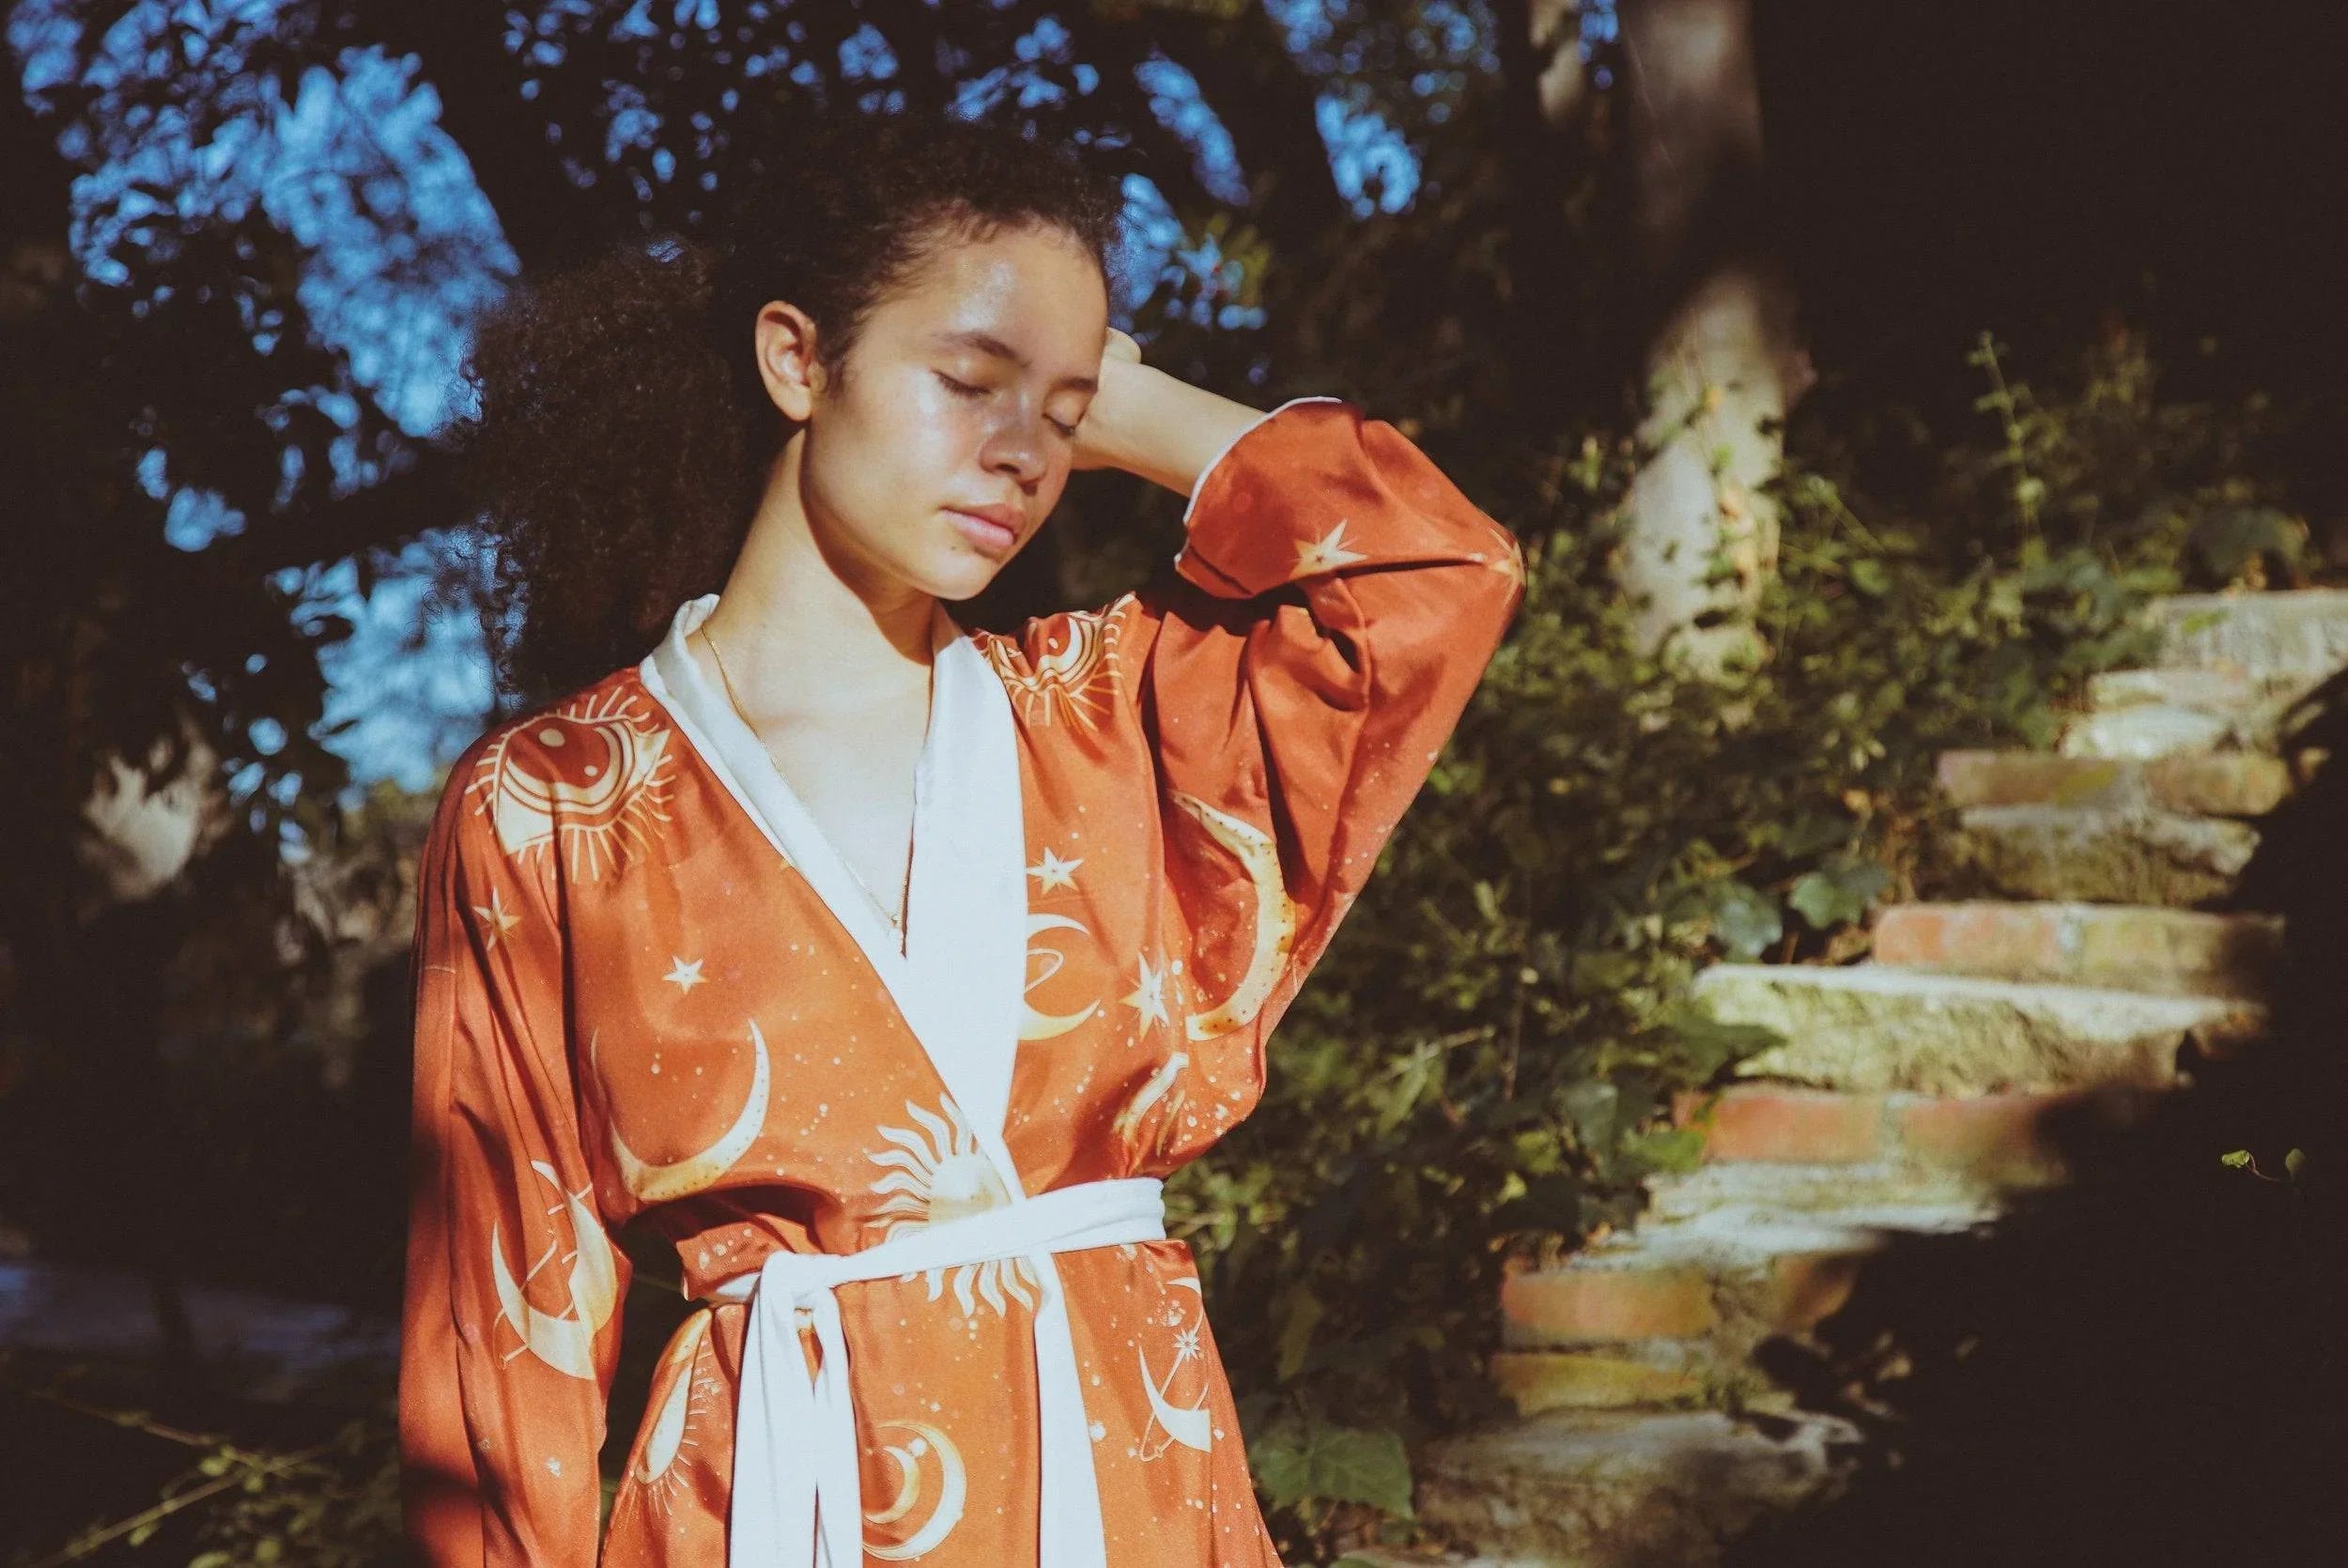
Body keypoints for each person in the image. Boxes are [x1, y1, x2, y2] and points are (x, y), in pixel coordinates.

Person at [399, 110, 1524, 1568]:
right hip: (767, 1506)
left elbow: (1435, 570)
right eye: (968, 380)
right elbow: (497, 1351)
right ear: (799, 359)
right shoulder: (554, 805)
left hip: (1131, 1488)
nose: (1019, 455)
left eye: (1060, 417)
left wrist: (1145, 411)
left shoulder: (1106, 720)